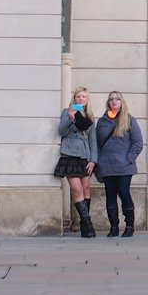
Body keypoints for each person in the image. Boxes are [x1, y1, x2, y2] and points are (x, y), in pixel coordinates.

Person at [95, 91, 143, 237]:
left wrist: (129, 159)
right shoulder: (102, 122)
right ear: (108, 103)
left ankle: (129, 226)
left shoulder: (129, 120)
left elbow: (138, 143)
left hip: (124, 166)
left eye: (117, 99)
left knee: (123, 193)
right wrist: (98, 162)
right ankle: (114, 227)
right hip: (107, 165)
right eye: (111, 99)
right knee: (110, 196)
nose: (114, 101)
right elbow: (97, 143)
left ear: (122, 102)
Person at [55, 86, 98, 238]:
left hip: (84, 156)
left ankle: (83, 225)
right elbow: (61, 131)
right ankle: (88, 223)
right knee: (77, 190)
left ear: (87, 100)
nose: (81, 99)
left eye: (83, 97)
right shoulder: (67, 112)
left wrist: (93, 160)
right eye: (78, 96)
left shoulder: (90, 117)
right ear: (74, 98)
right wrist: (70, 119)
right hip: (69, 155)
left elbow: (93, 141)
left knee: (86, 189)